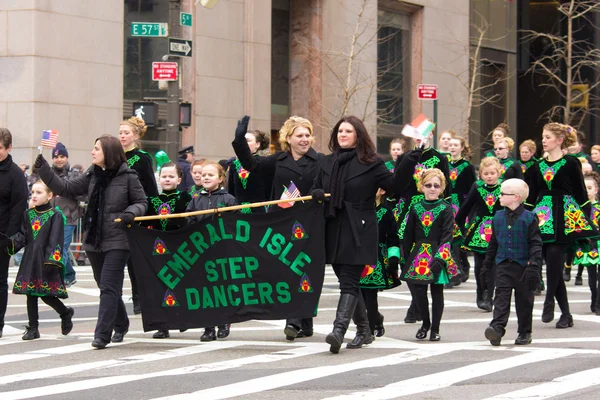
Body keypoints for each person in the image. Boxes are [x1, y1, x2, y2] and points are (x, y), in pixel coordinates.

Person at [35, 135, 147, 349]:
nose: (92, 152)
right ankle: (121, 323)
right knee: (104, 285)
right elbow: (65, 189)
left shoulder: (128, 176)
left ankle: (102, 334)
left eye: (97, 148)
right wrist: (44, 170)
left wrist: (130, 213)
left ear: (109, 152)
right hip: (94, 238)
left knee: (108, 286)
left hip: (119, 238)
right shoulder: (92, 175)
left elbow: (142, 202)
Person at [310, 115, 409, 354]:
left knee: (350, 281)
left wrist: (408, 160)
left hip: (359, 227)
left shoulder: (372, 162)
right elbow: (314, 186)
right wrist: (316, 192)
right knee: (346, 281)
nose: (342, 135)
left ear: (358, 135)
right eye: (340, 131)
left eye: (348, 131)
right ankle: (365, 330)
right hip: (332, 226)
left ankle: (338, 330)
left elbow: (395, 186)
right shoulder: (326, 162)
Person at [231, 115, 322, 340]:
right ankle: (298, 320)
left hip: (309, 222)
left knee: (305, 269)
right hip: (283, 222)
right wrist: (239, 140)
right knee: (288, 268)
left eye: (307, 135)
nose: (304, 139)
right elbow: (250, 164)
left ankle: (299, 320)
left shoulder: (320, 161)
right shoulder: (278, 160)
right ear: (288, 138)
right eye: (299, 135)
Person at [527, 122, 599, 329]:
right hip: (543, 217)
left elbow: (581, 194)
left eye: (548, 137)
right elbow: (532, 197)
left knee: (555, 260)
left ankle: (549, 300)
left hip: (566, 219)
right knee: (552, 265)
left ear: (559, 140)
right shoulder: (536, 166)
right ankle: (566, 314)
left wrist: (586, 223)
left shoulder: (571, 163)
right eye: (543, 137)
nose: (544, 141)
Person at [0, 181, 75, 340]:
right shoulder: (28, 214)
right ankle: (33, 328)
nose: (34, 195)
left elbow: (56, 240)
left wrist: (52, 261)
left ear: (49, 196)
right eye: (33, 192)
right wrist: (10, 242)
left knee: (46, 294)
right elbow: (23, 236)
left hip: (46, 259)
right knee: (31, 293)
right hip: (30, 257)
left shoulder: (56, 215)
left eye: (39, 192)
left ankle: (65, 312)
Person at [395, 130, 450, 323]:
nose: (420, 137)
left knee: (431, 257)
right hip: (408, 210)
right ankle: (416, 301)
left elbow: (447, 187)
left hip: (433, 210)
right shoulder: (404, 157)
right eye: (417, 134)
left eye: (424, 134)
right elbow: (397, 183)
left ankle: (416, 308)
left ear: (431, 135)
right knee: (406, 258)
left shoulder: (439, 158)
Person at [483, 178, 542, 346]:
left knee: (524, 301)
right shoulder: (498, 216)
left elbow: (536, 243)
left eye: (502, 193)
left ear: (515, 197)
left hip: (523, 267)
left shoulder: (529, 218)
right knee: (501, 298)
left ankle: (524, 332)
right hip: (503, 265)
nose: (499, 196)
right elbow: (493, 242)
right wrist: (487, 264)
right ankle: (497, 328)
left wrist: (534, 264)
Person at [400, 168, 457, 341]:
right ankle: (425, 323)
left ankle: (435, 328)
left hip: (438, 254)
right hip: (418, 256)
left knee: (437, 292)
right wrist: (405, 258)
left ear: (441, 188)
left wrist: (440, 258)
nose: (432, 188)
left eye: (436, 185)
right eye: (428, 185)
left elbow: (448, 235)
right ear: (421, 187)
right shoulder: (415, 207)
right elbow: (408, 235)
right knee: (419, 292)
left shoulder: (446, 209)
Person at [186, 161, 238, 341]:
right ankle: (208, 327)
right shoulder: (195, 200)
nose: (206, 177)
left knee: (221, 288)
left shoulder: (228, 199)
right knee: (205, 290)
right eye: (203, 175)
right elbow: (189, 223)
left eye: (211, 175)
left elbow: (235, 224)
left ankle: (224, 321)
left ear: (221, 178)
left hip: (222, 250)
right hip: (203, 251)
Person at [141, 162, 192, 339]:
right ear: (159, 179)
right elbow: (144, 222)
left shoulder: (185, 198)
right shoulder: (152, 200)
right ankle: (162, 325)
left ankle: (182, 318)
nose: (167, 179)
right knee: (160, 286)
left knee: (180, 284)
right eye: (164, 176)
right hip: (158, 249)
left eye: (171, 176)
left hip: (178, 247)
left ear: (179, 180)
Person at [119, 117, 159, 315]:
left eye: (126, 133)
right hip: (119, 213)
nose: (122, 136)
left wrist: (152, 215)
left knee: (139, 258)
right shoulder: (114, 156)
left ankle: (142, 296)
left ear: (135, 135)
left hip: (139, 213)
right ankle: (134, 295)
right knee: (126, 259)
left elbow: (150, 188)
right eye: (120, 133)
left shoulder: (142, 157)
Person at [456, 157, 504, 312]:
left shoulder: (504, 187)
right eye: (486, 173)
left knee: (493, 266)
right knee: (479, 265)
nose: (489, 176)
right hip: (479, 230)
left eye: (492, 173)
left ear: (499, 173)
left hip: (498, 230)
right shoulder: (477, 187)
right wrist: (457, 225)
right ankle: (480, 291)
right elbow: (466, 207)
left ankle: (489, 297)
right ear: (481, 175)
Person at [358, 187, 401, 338]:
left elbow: (393, 237)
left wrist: (393, 259)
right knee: (359, 296)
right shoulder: (358, 210)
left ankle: (368, 331)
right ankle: (376, 318)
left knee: (370, 294)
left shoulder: (387, 212)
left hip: (377, 258)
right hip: (358, 256)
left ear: (382, 191)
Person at [0, 128, 28, 338]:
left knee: (0, 281)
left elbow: (18, 208)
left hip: (2, 234)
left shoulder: (16, 175)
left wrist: (8, 238)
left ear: (9, 148)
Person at [50, 142, 85, 287]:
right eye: (56, 156)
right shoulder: (49, 174)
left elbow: (83, 194)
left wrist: (66, 190)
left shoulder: (75, 174)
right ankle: (70, 274)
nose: (59, 159)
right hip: (51, 217)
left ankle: (59, 278)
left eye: (62, 156)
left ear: (67, 157)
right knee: (54, 248)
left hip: (68, 218)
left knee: (62, 249)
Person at [447, 136, 476, 286]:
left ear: (462, 147)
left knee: (460, 237)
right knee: (449, 238)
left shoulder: (467, 166)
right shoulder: (445, 164)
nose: (452, 147)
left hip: (461, 204)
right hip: (448, 204)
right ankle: (454, 270)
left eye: (455, 145)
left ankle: (463, 265)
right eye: (450, 145)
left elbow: (472, 188)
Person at [573, 171, 600, 314]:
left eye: (590, 188)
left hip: (599, 243)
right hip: (588, 245)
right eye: (585, 188)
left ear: (596, 190)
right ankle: (594, 297)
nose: (587, 191)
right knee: (591, 277)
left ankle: (598, 303)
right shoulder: (580, 208)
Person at [228, 129, 273, 213]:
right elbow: (231, 191)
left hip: (259, 210)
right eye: (242, 141)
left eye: (248, 141)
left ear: (257, 144)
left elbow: (270, 188)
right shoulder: (234, 164)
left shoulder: (264, 162)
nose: (244, 144)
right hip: (238, 211)